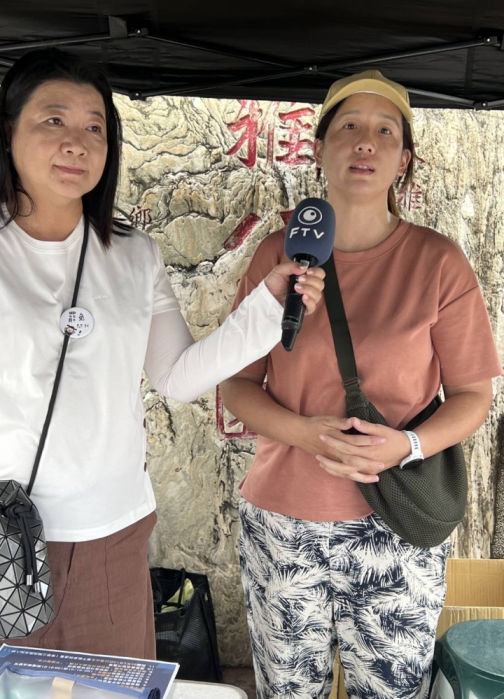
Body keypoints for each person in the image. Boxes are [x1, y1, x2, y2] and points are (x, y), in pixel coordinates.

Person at [0, 48, 326, 662]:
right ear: (8, 132)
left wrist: (267, 308)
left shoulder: (133, 254)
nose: (77, 142)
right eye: (53, 120)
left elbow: (176, 377)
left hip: (110, 532)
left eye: (95, 127)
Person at [220, 70, 502, 699]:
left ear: (404, 160)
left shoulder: (438, 262)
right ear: (319, 149)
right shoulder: (277, 255)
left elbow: (473, 396)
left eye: (384, 131)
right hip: (282, 526)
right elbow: (236, 385)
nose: (365, 142)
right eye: (348, 126)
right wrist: (305, 433)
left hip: (396, 524)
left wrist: (406, 446)